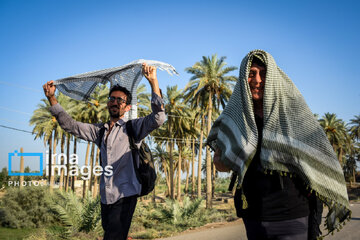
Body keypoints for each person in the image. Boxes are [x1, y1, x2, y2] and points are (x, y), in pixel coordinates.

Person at [207, 50, 350, 239]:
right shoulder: (234, 119)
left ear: (273, 78)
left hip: (293, 217)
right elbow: (222, 164)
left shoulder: (294, 116)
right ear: (243, 79)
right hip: (254, 218)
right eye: (251, 74)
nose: (257, 80)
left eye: (263, 73)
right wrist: (224, 159)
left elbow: (320, 156)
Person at [43, 63, 165, 240]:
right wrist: (52, 99)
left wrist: (153, 82)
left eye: (120, 100)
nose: (115, 102)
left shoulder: (132, 128)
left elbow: (159, 118)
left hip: (125, 195)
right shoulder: (99, 131)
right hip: (105, 198)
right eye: (112, 99)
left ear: (127, 107)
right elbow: (71, 126)